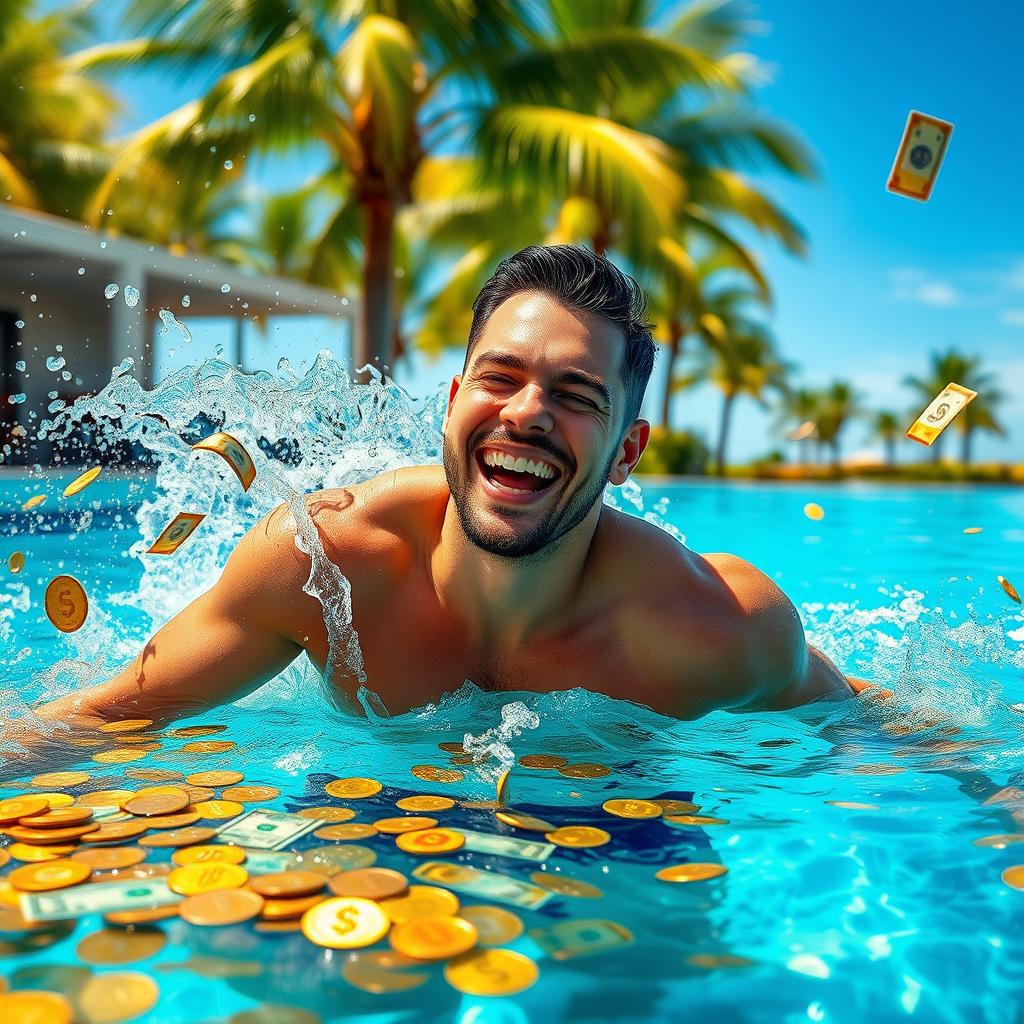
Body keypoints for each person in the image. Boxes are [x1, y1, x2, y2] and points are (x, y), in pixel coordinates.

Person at [23, 245, 876, 737]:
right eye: (499, 378)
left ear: (627, 452)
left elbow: (868, 728)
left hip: (613, 825)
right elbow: (108, 716)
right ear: (451, 404)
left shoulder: (716, 625)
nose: (529, 414)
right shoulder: (326, 564)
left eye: (578, 397)